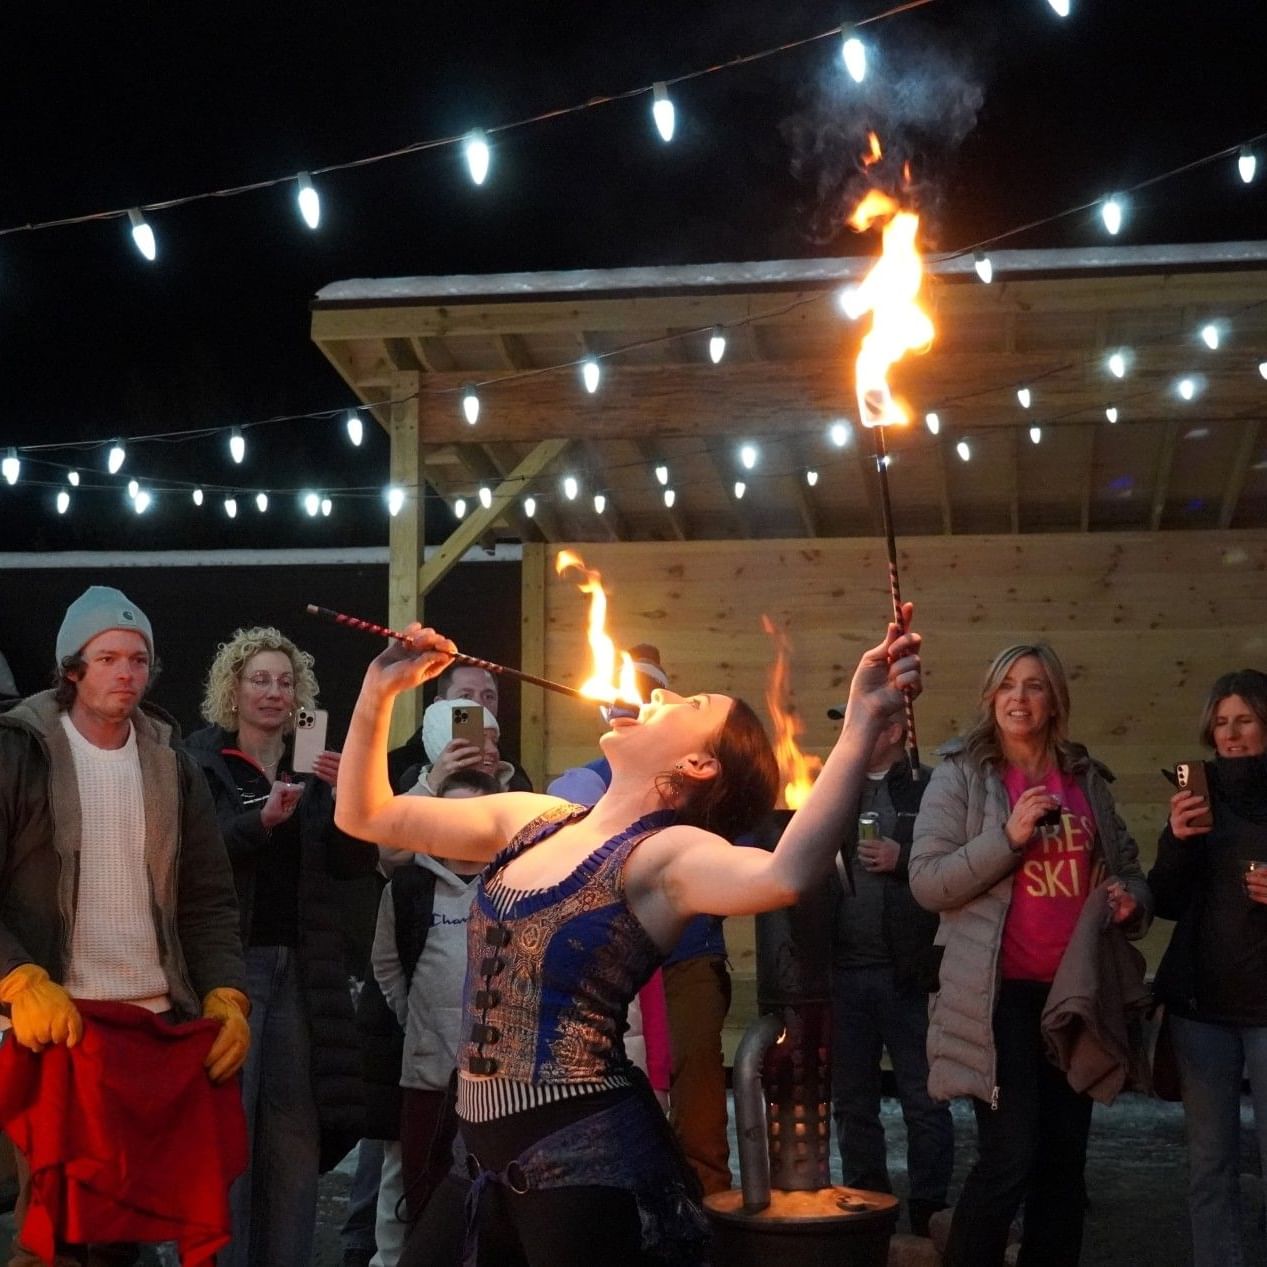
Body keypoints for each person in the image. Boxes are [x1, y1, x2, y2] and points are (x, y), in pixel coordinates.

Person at [334, 612, 921, 1265]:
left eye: (687, 701)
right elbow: (364, 813)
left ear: (698, 762)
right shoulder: (535, 818)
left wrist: (861, 724)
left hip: (580, 1156)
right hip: (474, 1154)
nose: (659, 694)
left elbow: (785, 874)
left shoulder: (665, 855)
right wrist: (379, 687)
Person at [0, 586, 248, 1265]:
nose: (126, 673)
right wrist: (17, 979)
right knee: (52, 1229)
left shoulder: (173, 765)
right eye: (108, 657)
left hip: (152, 1024)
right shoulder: (18, 753)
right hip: (58, 1025)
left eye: (138, 659)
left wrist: (226, 991)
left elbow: (207, 899)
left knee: (126, 1233)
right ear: (71, 668)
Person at [909, 642, 1152, 1267]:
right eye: (1008, 685)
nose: (1020, 697)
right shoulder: (961, 775)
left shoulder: (1084, 779)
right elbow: (929, 881)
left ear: (1054, 701)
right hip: (1000, 999)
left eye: (1035, 685)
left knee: (1064, 1166)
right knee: (1010, 1156)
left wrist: (1132, 900)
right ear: (991, 697)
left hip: (1075, 996)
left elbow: (1129, 870)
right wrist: (1008, 837)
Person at [185, 626, 378, 1267]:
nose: (273, 692)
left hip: (305, 971)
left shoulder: (315, 767)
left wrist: (354, 793)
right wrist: (259, 824)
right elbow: (190, 856)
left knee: (295, 1139)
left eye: (285, 681)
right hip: (229, 968)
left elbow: (354, 864)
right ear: (232, 690)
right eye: (259, 679)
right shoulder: (199, 762)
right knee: (226, 1136)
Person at [548, 646, 726, 1189]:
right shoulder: (580, 787)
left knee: (696, 1083)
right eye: (620, 690)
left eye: (649, 691)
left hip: (687, 955)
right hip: (611, 966)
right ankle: (627, 1196)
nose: (629, 700)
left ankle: (707, 1198)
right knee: (617, 1088)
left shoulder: (701, 784)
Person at [1149, 669, 1267, 1267]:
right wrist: (1177, 839)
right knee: (1209, 1162)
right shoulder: (1196, 789)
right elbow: (1163, 900)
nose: (1231, 734)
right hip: (1202, 1007)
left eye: (1244, 720)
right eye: (1221, 723)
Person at [827, 713, 951, 1236]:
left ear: (896, 732)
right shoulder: (835, 788)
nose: (853, 731)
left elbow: (956, 862)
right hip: (844, 975)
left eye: (866, 724)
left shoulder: (930, 790)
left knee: (925, 1101)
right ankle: (869, 1212)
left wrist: (904, 860)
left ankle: (928, 1216)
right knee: (853, 1105)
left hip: (909, 974)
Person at [388, 663, 532, 793]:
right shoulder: (397, 766)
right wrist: (432, 783)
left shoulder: (512, 775)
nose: (479, 704)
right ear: (440, 704)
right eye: (466, 696)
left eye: (488, 696)